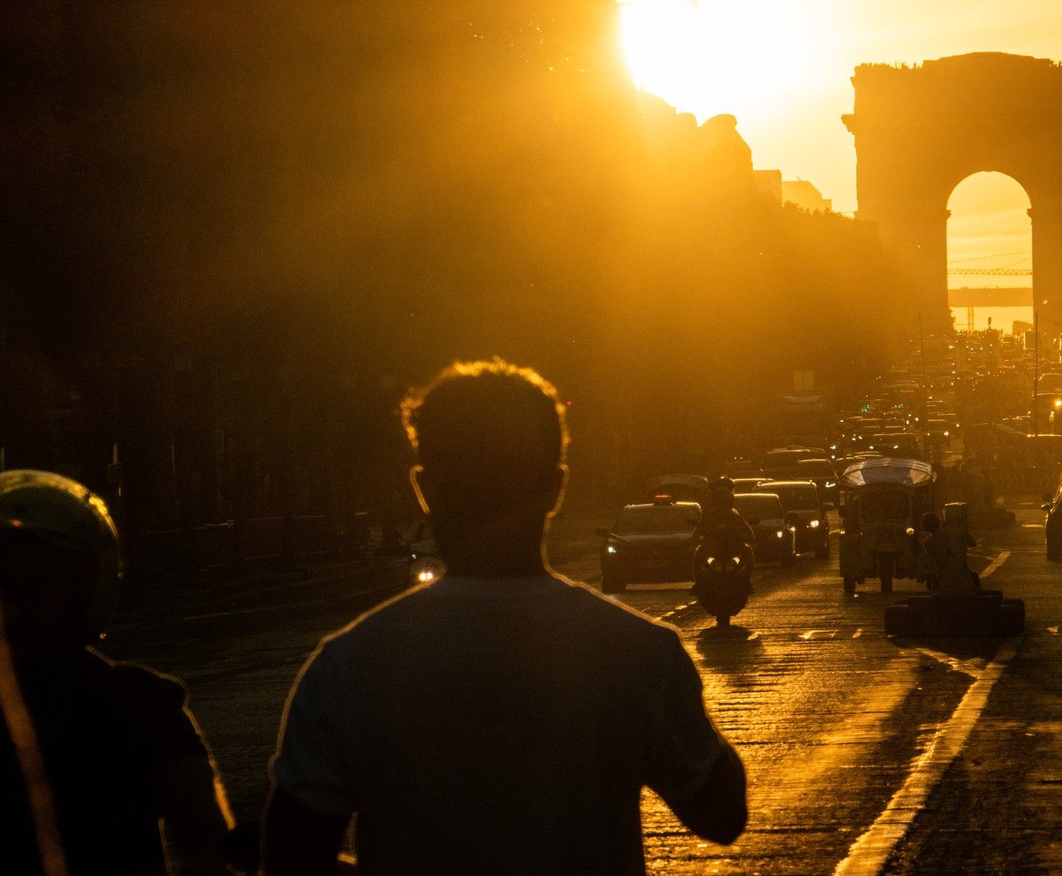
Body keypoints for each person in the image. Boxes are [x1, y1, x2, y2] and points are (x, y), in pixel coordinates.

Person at [262, 359, 746, 875]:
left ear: (423, 487)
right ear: (556, 488)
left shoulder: (347, 666)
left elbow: (292, 858)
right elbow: (721, 814)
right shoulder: (638, 652)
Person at [0, 470, 232, 876]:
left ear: (84, 592)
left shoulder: (141, 706)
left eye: (38, 591)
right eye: (4, 589)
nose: (15, 609)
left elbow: (204, 838)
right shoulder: (140, 703)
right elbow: (207, 840)